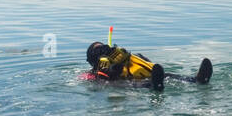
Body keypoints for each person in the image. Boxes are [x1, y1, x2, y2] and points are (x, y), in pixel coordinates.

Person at [84, 41, 212, 91]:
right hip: (127, 83)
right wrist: (107, 73)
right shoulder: (91, 74)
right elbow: (93, 82)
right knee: (128, 85)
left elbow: (152, 67)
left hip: (148, 76)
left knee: (167, 75)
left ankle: (197, 80)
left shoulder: (127, 57)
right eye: (97, 50)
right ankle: (154, 85)